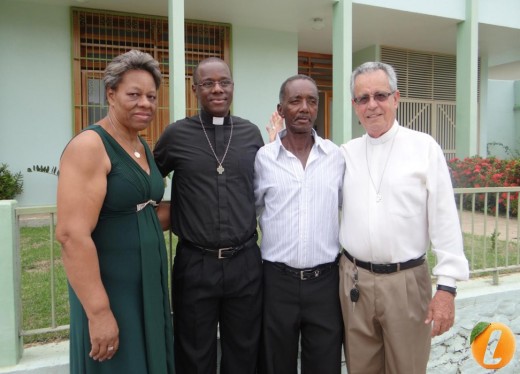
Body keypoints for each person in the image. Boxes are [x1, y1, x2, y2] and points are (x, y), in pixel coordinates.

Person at [339, 61, 470, 373]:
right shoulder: (345, 154)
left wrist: (447, 288)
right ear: (354, 106)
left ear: (396, 98)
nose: (372, 105)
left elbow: (445, 220)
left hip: (406, 284)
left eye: (380, 96)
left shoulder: (423, 148)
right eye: (363, 98)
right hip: (354, 281)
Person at [56, 50, 174, 373]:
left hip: (145, 288)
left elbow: (141, 214)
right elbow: (71, 235)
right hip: (111, 291)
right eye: (134, 94)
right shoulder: (90, 146)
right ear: (110, 93)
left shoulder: (140, 146)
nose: (145, 104)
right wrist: (99, 311)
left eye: (151, 96)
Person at [153, 57, 264, 374]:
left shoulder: (251, 134)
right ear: (194, 89)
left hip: (244, 261)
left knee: (244, 351)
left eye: (224, 82)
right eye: (208, 84)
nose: (218, 89)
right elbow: (148, 181)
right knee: (194, 352)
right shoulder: (176, 136)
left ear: (232, 86)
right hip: (195, 264)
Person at [255, 75, 345, 373]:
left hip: (325, 283)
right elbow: (253, 210)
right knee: (276, 364)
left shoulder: (336, 157)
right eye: (295, 101)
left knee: (325, 364)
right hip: (277, 282)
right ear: (281, 109)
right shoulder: (263, 159)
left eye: (311, 101)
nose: (304, 108)